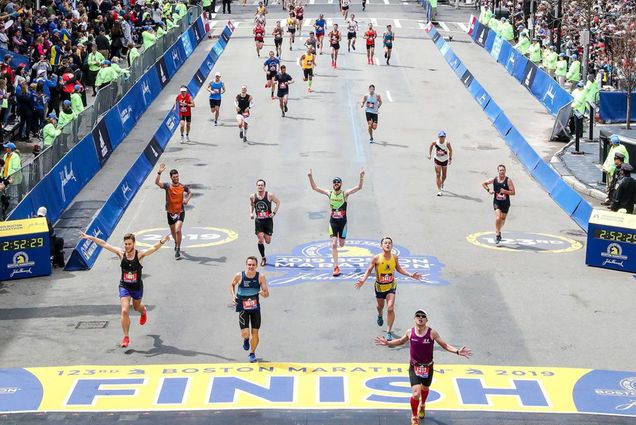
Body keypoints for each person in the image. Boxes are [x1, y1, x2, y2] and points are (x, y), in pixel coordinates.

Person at [375, 309, 472, 424]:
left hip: (428, 367)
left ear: (426, 319)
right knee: (416, 394)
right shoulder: (410, 332)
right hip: (414, 367)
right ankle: (414, 415)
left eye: (423, 316)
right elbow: (401, 341)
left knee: (425, 389)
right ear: (414, 318)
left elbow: (445, 345)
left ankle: (423, 404)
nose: (420, 317)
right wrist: (388, 343)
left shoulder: (432, 333)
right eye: (418, 316)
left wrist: (457, 351)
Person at [79, 232, 170, 348]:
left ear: (134, 244)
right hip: (124, 286)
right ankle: (126, 337)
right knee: (124, 310)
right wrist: (90, 237)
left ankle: (143, 311)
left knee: (137, 307)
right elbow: (104, 244)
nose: (127, 246)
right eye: (125, 244)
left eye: (129, 244)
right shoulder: (121, 254)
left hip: (136, 287)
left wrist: (163, 240)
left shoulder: (139, 255)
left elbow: (154, 248)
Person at [355, 237, 423, 341]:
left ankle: (388, 331)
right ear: (381, 246)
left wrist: (410, 275)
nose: (387, 245)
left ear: (392, 245)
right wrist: (363, 280)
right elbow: (369, 270)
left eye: (389, 243)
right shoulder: (376, 258)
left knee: (390, 308)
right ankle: (380, 315)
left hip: (391, 285)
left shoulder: (394, 257)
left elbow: (398, 268)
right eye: (385, 243)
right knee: (380, 306)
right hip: (379, 287)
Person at [308, 168, 365, 276]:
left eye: (338, 182)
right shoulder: (329, 193)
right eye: (334, 182)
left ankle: (340, 244)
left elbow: (359, 187)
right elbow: (315, 188)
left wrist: (361, 176)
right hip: (333, 222)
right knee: (334, 244)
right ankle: (336, 267)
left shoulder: (345, 194)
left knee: (342, 245)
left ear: (341, 184)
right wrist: (310, 176)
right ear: (332, 184)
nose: (336, 184)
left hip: (343, 223)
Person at [229, 256, 270, 363]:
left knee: (255, 332)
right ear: (246, 265)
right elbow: (231, 285)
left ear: (256, 266)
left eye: (253, 265)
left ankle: (252, 353)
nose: (251, 267)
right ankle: (246, 339)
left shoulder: (260, 277)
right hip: (243, 307)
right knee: (246, 333)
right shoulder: (239, 276)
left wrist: (263, 294)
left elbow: (267, 294)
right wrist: (233, 295)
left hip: (255, 308)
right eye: (249, 264)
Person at [155, 163, 192, 259]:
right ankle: (176, 242)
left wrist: (187, 200)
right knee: (173, 231)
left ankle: (178, 249)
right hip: (170, 213)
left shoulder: (182, 187)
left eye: (177, 176)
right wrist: (159, 172)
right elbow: (157, 183)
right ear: (171, 178)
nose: (176, 178)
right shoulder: (167, 186)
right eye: (174, 177)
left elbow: (190, 192)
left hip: (180, 212)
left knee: (178, 230)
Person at [482, 164, 516, 244]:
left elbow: (513, 192)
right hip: (497, 202)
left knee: (502, 220)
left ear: (505, 171)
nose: (502, 172)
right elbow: (484, 183)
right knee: (498, 218)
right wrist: (488, 190)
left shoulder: (508, 180)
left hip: (505, 203)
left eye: (503, 170)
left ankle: (499, 230)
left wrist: (505, 191)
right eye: (500, 170)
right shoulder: (494, 180)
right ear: (498, 171)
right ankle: (497, 234)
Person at [250, 179, 281, 266]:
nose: (260, 187)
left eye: (262, 185)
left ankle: (265, 236)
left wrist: (274, 213)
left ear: (264, 186)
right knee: (260, 239)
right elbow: (252, 205)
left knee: (267, 241)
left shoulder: (269, 195)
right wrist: (251, 213)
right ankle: (263, 258)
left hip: (268, 221)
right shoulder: (252, 196)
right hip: (259, 221)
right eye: (259, 185)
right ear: (257, 186)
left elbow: (278, 202)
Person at [427, 130, 453, 196]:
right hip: (437, 160)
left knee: (444, 176)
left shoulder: (447, 143)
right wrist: (429, 154)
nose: (442, 138)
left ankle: (442, 182)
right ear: (438, 137)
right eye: (441, 136)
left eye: (443, 136)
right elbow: (431, 146)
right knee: (438, 174)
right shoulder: (435, 142)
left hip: (444, 160)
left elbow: (450, 150)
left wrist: (450, 158)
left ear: (445, 137)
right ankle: (439, 190)